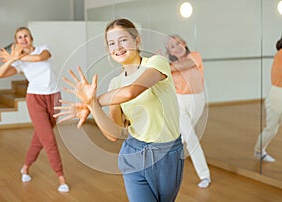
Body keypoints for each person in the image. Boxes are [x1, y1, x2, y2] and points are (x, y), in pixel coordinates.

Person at [54, 18, 184, 201]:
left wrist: (92, 102)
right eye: (111, 43)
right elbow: (114, 133)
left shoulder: (156, 63)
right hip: (133, 154)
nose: (118, 47)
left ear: (136, 40)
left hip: (167, 154)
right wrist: (92, 105)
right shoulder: (115, 83)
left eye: (123, 40)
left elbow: (131, 91)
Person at [0, 27, 69, 192]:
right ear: (16, 41)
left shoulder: (43, 49)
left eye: (26, 36)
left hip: (55, 97)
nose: (23, 39)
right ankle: (61, 177)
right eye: (19, 37)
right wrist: (10, 60)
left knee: (40, 138)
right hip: (35, 99)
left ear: (31, 38)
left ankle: (26, 166)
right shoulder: (20, 62)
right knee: (48, 139)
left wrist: (16, 56)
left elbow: (40, 59)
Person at [165, 35, 211, 188]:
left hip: (198, 100)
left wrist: (164, 64)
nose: (176, 47)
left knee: (183, 138)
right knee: (191, 138)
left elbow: (184, 66)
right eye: (172, 46)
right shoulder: (170, 66)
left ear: (184, 43)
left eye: (178, 43)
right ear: (169, 51)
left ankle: (165, 162)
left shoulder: (194, 57)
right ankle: (205, 175)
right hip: (179, 103)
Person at [254, 36, 282, 162]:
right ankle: (259, 151)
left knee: (272, 128)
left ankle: (259, 151)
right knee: (271, 129)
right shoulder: (280, 55)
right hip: (277, 95)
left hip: (276, 94)